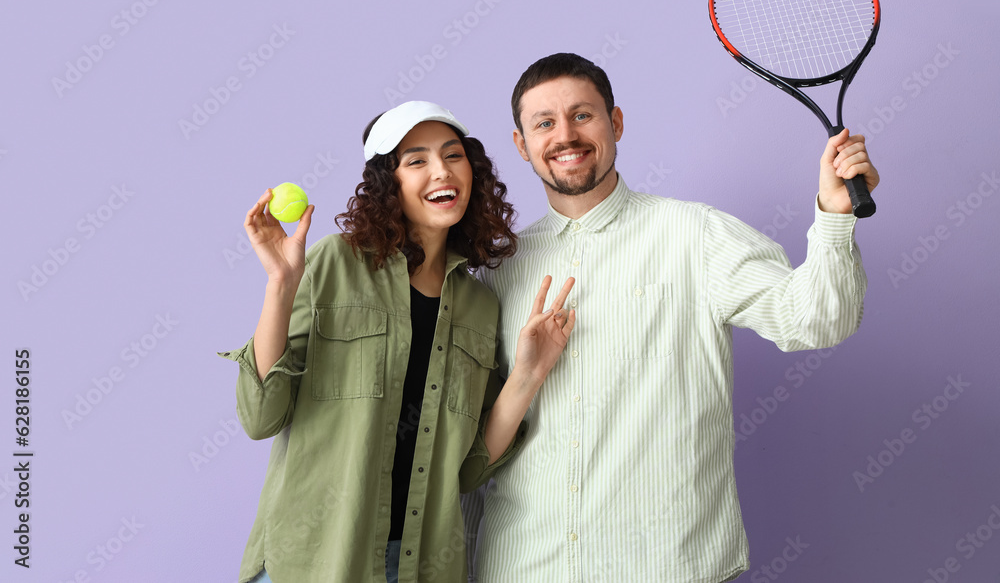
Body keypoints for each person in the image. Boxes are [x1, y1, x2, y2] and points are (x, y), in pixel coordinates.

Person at [465, 53, 879, 582]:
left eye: (582, 115)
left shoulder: (697, 236)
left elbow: (817, 321)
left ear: (615, 123)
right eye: (544, 123)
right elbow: (471, 452)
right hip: (521, 568)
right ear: (522, 145)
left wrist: (834, 215)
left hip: (665, 567)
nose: (565, 135)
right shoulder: (497, 270)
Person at [219, 100, 576, 583]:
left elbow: (468, 471)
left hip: (419, 565)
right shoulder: (333, 264)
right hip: (313, 561)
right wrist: (281, 284)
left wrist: (530, 374)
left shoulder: (478, 304)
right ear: (390, 184)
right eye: (416, 161)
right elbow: (260, 416)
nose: (441, 172)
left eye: (453, 156)